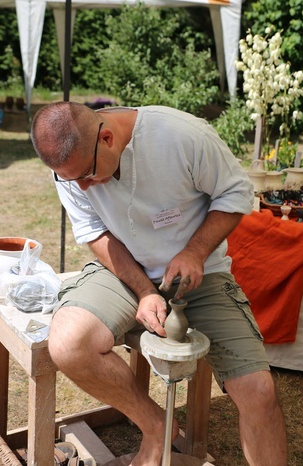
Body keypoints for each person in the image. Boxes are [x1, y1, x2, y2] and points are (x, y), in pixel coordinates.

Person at [31, 102, 287, 466]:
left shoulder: (182, 136)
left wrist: (195, 251)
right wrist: (145, 290)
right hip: (121, 270)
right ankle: (156, 427)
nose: (83, 186)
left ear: (106, 137)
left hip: (201, 272)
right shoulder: (71, 169)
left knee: (258, 392)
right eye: (72, 180)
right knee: (69, 342)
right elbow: (95, 232)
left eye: (87, 174)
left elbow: (235, 194)